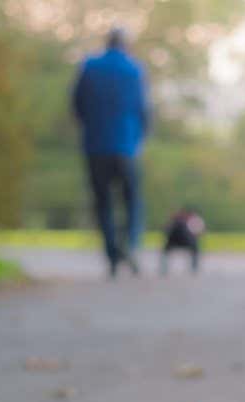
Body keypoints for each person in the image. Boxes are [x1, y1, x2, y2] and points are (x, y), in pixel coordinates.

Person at [72, 27, 150, 278]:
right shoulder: (135, 69)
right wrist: (140, 138)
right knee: (132, 200)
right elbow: (144, 109)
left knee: (103, 203)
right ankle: (130, 244)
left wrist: (90, 126)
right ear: (125, 44)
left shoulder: (90, 67)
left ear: (106, 43)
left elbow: (77, 104)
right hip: (126, 145)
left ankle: (113, 255)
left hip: (95, 145)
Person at [161, 206, 205, 275]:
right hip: (178, 241)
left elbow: (165, 231)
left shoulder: (192, 220)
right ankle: (194, 268)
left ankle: (164, 269)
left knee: (194, 247)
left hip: (183, 241)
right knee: (194, 247)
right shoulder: (177, 221)